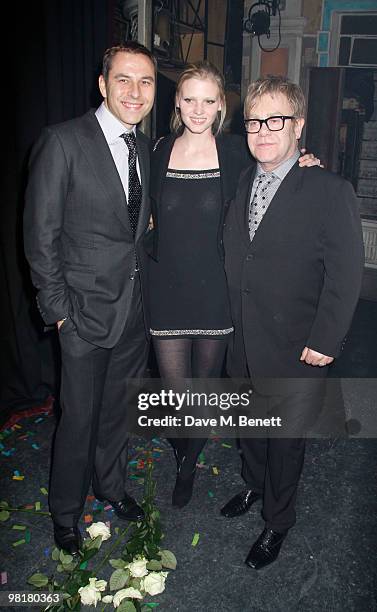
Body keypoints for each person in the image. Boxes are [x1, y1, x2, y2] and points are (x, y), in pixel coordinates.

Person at [146, 62, 320, 509]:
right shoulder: (158, 150)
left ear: (221, 105)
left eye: (209, 100)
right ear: (177, 103)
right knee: (176, 395)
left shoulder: (238, 153)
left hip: (216, 294)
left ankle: (188, 464)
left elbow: (278, 164)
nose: (198, 109)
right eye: (189, 99)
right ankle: (184, 448)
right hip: (166, 292)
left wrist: (307, 160)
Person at [221, 76, 364, 569]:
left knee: (283, 442)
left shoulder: (330, 189)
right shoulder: (244, 181)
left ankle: (277, 521)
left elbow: (346, 274)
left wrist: (326, 339)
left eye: (276, 120)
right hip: (243, 338)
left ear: (298, 125)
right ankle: (255, 488)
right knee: (250, 431)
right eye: (255, 121)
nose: (263, 131)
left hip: (297, 345)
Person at [23, 42, 156, 555]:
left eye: (145, 82)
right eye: (124, 79)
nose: (135, 91)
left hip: (133, 309)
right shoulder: (62, 142)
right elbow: (40, 237)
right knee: (78, 418)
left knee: (117, 412)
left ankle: (112, 486)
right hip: (80, 314)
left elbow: (132, 230)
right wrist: (59, 315)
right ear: (102, 84)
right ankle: (64, 513)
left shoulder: (143, 147)